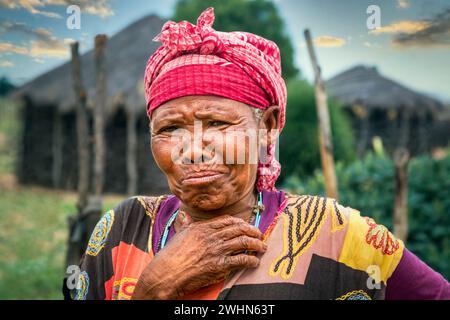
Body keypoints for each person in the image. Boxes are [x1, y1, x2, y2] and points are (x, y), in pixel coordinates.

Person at [68, 7, 449, 300]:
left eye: (217, 123)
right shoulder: (123, 228)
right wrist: (153, 289)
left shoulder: (334, 233)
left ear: (266, 127)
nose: (194, 150)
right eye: (169, 129)